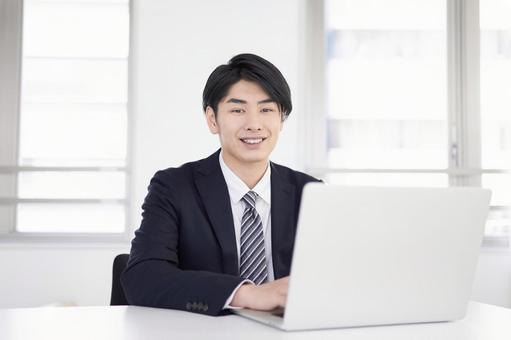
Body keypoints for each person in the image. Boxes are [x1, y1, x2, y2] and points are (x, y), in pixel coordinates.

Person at [121, 53, 321, 316]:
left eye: (267, 109)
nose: (254, 124)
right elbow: (142, 277)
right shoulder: (173, 187)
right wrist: (246, 294)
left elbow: (336, 276)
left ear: (281, 119)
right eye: (238, 110)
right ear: (212, 119)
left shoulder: (311, 193)